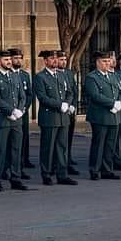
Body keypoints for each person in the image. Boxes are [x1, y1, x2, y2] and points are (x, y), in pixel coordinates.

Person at [0, 49, 29, 192]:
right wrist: (10, 110)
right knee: (0, 150)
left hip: (16, 120)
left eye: (9, 59)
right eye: (5, 60)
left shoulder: (15, 76)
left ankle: (15, 178)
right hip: (2, 120)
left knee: (16, 150)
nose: (9, 62)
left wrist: (20, 110)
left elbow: (22, 96)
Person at [33, 50, 77, 186]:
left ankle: (62, 174)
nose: (55, 61)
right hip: (50, 117)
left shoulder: (61, 75)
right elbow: (42, 97)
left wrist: (67, 104)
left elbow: (70, 92)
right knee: (48, 147)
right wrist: (59, 105)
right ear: (45, 61)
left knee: (62, 147)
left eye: (56, 58)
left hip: (63, 117)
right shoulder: (40, 77)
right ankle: (46, 174)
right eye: (52, 59)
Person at [83, 50, 121, 181]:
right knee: (99, 144)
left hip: (114, 115)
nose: (107, 63)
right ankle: (94, 170)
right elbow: (95, 96)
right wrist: (112, 103)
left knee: (110, 144)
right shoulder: (92, 77)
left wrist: (120, 103)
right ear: (97, 63)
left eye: (108, 61)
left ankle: (107, 169)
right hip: (100, 115)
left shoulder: (114, 76)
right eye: (104, 61)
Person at [10, 48, 35, 174]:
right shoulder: (8, 73)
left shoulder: (24, 75)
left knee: (24, 137)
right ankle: (11, 165)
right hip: (11, 113)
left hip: (23, 111)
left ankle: (24, 160)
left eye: (20, 58)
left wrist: (24, 108)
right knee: (11, 141)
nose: (18, 60)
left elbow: (29, 94)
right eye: (15, 58)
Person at [56, 50, 79, 175]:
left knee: (68, 139)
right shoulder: (55, 74)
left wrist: (72, 106)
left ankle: (67, 160)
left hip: (69, 112)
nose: (63, 62)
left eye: (65, 60)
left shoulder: (69, 74)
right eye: (61, 60)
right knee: (58, 141)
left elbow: (74, 91)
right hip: (59, 111)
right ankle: (57, 163)